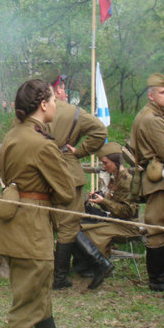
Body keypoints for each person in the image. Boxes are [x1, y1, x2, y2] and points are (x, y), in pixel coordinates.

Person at [0, 78, 76, 328]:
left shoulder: (14, 134)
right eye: (53, 100)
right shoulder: (40, 143)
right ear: (43, 105)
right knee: (26, 302)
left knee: (37, 291)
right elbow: (64, 191)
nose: (56, 105)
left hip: (15, 226)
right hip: (31, 230)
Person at [48, 75, 107, 289]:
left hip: (42, 172)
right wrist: (80, 151)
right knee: (69, 224)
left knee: (57, 223)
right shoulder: (74, 113)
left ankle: (61, 274)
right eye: (62, 89)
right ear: (57, 91)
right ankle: (61, 276)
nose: (63, 93)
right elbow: (100, 131)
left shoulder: (34, 112)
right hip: (68, 171)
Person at [129, 73, 164, 292]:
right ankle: (158, 279)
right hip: (160, 180)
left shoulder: (152, 115)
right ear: (151, 95)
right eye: (163, 92)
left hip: (159, 178)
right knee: (158, 227)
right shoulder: (152, 119)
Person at [77, 142, 139, 289]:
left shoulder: (126, 180)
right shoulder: (115, 178)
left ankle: (100, 266)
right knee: (82, 227)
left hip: (127, 226)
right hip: (115, 221)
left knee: (92, 231)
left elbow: (127, 212)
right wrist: (101, 198)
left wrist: (104, 201)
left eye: (106, 163)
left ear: (116, 161)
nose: (104, 166)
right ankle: (91, 266)